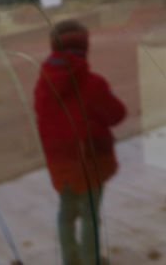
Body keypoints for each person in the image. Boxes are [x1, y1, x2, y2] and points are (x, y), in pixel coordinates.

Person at [34, 20, 127, 265]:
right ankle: (90, 260)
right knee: (90, 215)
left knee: (66, 213)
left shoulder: (43, 85)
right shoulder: (93, 83)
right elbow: (117, 114)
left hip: (59, 161)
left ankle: (70, 259)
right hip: (90, 160)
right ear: (84, 48)